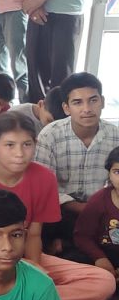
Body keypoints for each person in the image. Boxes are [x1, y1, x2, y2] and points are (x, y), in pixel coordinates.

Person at [0, 112, 117, 300]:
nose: (19, 153)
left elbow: (33, 234)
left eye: (27, 144)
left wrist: (32, 268)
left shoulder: (44, 178)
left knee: (103, 281)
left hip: (21, 256)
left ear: (35, 144)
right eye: (10, 145)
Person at [34, 73, 119, 254]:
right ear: (66, 108)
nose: (87, 109)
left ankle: (67, 247)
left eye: (93, 100)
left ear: (103, 102)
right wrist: (80, 207)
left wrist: (100, 206)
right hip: (62, 210)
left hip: (104, 209)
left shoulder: (115, 136)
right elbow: (43, 187)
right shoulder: (50, 135)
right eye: (77, 102)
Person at [74, 146, 119, 278]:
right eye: (117, 172)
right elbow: (82, 236)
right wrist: (99, 258)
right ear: (109, 174)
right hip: (103, 253)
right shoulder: (100, 199)